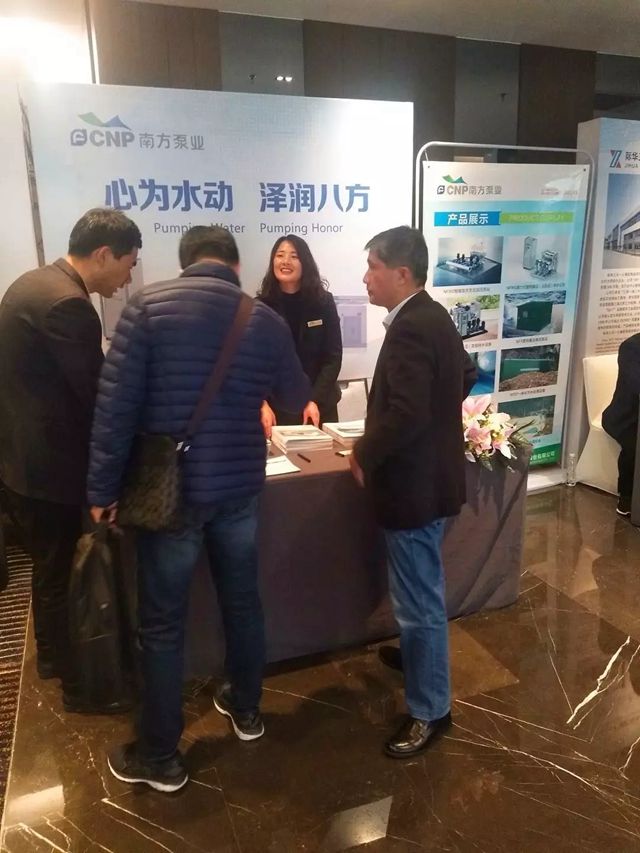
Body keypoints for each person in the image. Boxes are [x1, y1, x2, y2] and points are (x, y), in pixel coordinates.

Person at [88, 225, 310, 793]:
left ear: (185, 260)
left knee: (162, 625)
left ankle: (161, 756)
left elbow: (115, 410)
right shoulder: (264, 319)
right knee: (243, 603)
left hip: (171, 496)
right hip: (238, 490)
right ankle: (247, 709)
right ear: (234, 265)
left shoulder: (147, 308)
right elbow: (293, 394)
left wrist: (101, 490)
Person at [0, 208, 141, 712]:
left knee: (49, 569)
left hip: (22, 462)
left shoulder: (32, 283)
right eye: (127, 264)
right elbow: (96, 396)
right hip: (52, 470)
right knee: (65, 574)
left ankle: (53, 659)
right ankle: (81, 689)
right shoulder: (68, 305)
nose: (127, 279)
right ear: (103, 254)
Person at [349, 226, 477, 759]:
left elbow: (403, 413)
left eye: (373, 267)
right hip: (432, 481)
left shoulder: (411, 328)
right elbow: (466, 373)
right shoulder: (434, 315)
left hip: (413, 490)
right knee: (421, 590)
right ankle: (419, 659)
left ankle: (430, 710)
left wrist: (363, 452)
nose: (366, 277)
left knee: (419, 603)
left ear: (402, 274)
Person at [257, 235, 342, 433]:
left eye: (294, 256)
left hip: (319, 406)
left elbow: (333, 357)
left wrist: (313, 399)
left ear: (305, 262)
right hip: (275, 409)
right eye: (280, 255)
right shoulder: (261, 306)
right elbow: (255, 363)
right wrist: (261, 402)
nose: (285, 261)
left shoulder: (323, 303)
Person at [602, 332, 640, 517]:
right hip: (625, 418)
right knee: (635, 445)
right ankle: (627, 498)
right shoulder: (632, 346)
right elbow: (636, 385)